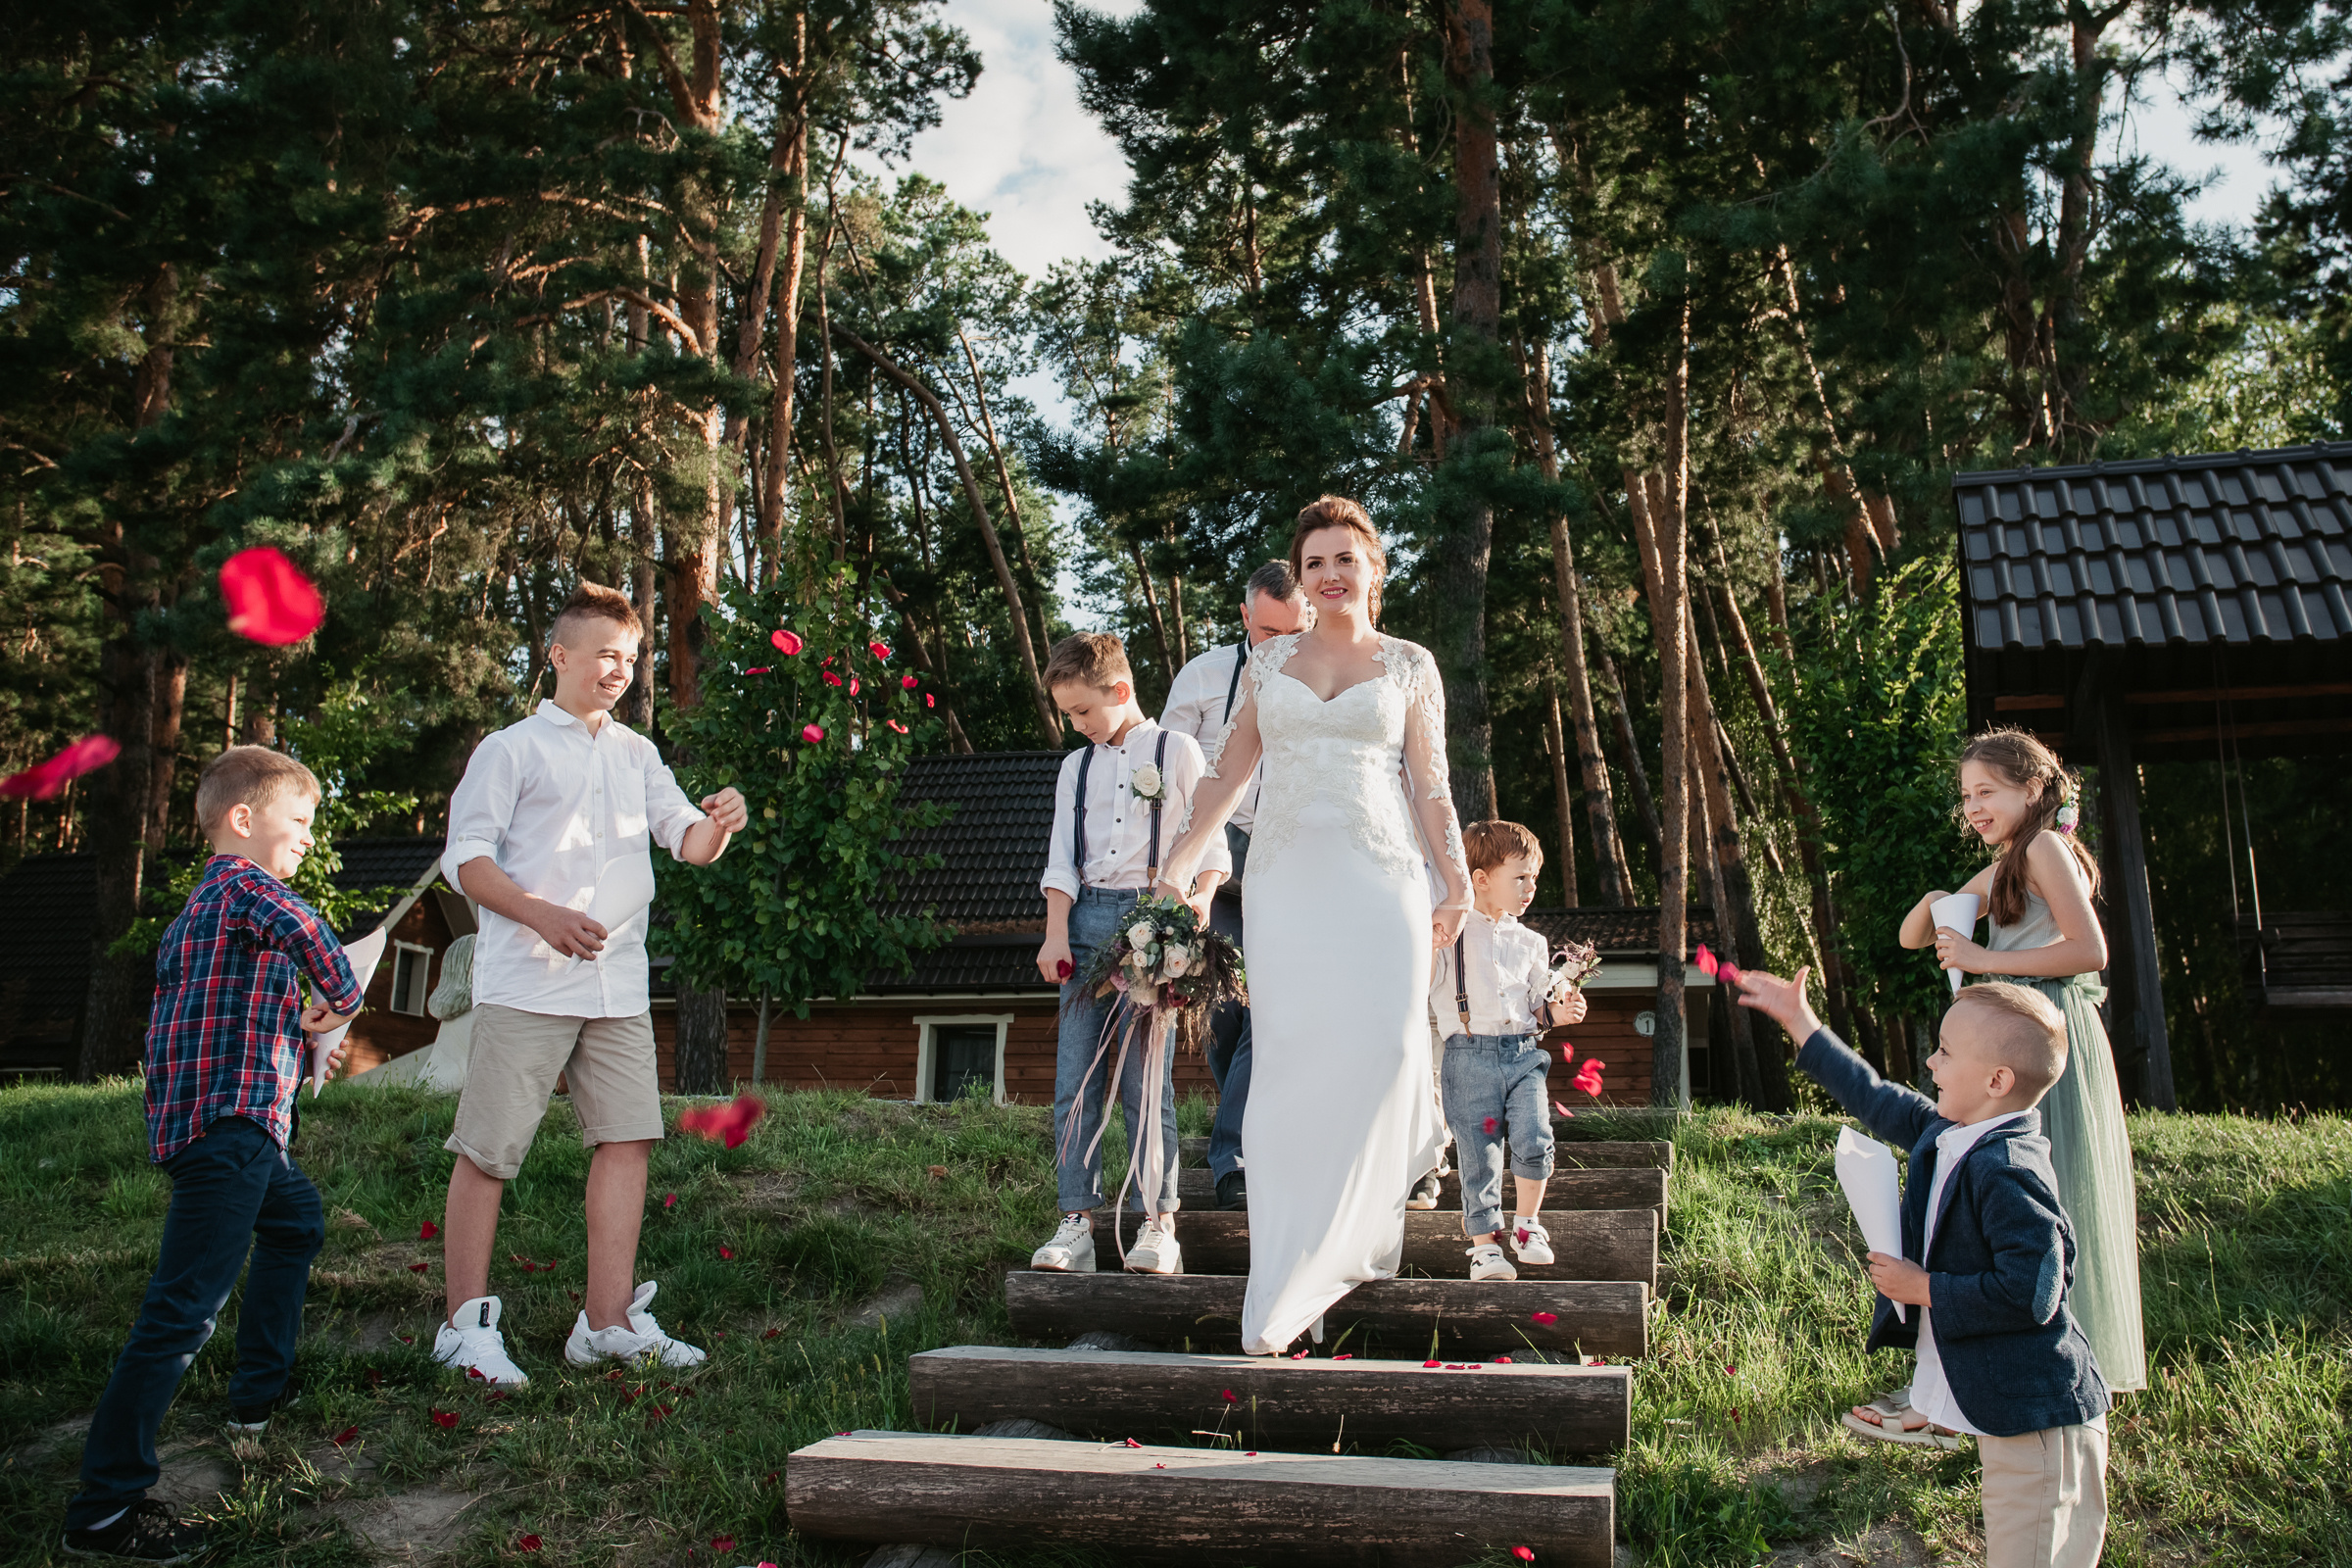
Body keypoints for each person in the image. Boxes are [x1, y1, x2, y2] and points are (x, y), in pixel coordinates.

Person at [1154, 495, 1469, 1355]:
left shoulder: (1410, 665)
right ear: (1302, 578)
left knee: (1391, 1047)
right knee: (1289, 1057)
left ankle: (1353, 1226)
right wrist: (1179, 864)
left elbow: (1431, 785)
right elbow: (1224, 778)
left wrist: (1457, 881)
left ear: (1375, 569)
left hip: (1386, 878)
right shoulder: (1269, 664)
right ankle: (1292, 1265)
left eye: (1345, 559)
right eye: (1315, 563)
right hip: (1288, 881)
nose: (1330, 575)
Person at [434, 581, 749, 1385]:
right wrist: (540, 915)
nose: (620, 669)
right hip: (530, 982)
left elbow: (685, 841)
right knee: (489, 1151)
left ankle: (604, 1324)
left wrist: (719, 823)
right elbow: (465, 861)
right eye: (606, 654)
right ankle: (462, 1330)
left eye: (632, 657)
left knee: (629, 1138)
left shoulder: (638, 752)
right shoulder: (508, 749)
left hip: (618, 985)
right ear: (560, 655)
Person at [62, 747, 366, 1563]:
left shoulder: (198, 913)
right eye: (298, 822)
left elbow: (209, 1023)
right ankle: (106, 1506)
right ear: (243, 820)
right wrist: (336, 1006)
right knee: (181, 1311)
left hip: (216, 1131)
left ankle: (256, 1396)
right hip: (232, 1133)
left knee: (297, 1222)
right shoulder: (248, 889)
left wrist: (294, 1033)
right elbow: (321, 948)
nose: (306, 838)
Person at [1739, 967, 2111, 1568]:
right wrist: (1799, 1021)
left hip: (2043, 1427)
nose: (1931, 1063)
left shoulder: (2010, 1169)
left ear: (1996, 1080)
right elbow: (1874, 1095)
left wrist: (1924, 1287)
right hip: (2012, 1420)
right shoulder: (1949, 1132)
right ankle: (1939, 1409)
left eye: (1944, 1051)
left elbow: (2031, 1293)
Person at [1899, 728, 2146, 1396]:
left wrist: (1984, 962)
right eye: (1966, 797)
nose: (1973, 806)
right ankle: (2024, 1361)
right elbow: (1912, 935)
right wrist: (1935, 905)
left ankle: (2068, 1363)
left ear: (2032, 789)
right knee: (2023, 1192)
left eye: (1987, 791)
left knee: (2054, 1185)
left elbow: (2090, 951)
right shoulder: (2013, 858)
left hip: (2048, 1031)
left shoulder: (2044, 847)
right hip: (2017, 1030)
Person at [1031, 632, 1229, 1275]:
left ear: (1120, 691)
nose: (1077, 724)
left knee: (1147, 1085)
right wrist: (1056, 932)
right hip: (1086, 919)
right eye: (1068, 714)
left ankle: (1157, 1224)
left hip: (1154, 918)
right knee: (1075, 1081)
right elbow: (1062, 858)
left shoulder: (1177, 752)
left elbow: (1210, 853)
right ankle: (1076, 1222)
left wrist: (1190, 913)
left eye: (1084, 711)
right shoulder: (1074, 767)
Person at [1158, 560, 1313, 1211]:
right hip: (1214, 865)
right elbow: (1166, 775)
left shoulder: (1323, 676)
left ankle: (1234, 1155)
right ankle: (1251, 1132)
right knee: (1223, 1014)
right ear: (1245, 614)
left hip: (1292, 860)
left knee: (1270, 1011)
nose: (1279, 644)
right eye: (1268, 630)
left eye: (1294, 631)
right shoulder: (1199, 679)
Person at [1436, 820, 1590, 1281]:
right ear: (1481, 879)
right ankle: (1485, 1247)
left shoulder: (1533, 943)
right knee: (1479, 1153)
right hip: (1467, 1056)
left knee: (1535, 1133)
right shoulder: (1450, 935)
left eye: (1534, 878)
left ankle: (1527, 1226)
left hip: (1523, 1056)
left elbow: (1534, 1009)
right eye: (1520, 877)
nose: (1531, 887)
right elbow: (1419, 985)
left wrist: (1557, 1014)